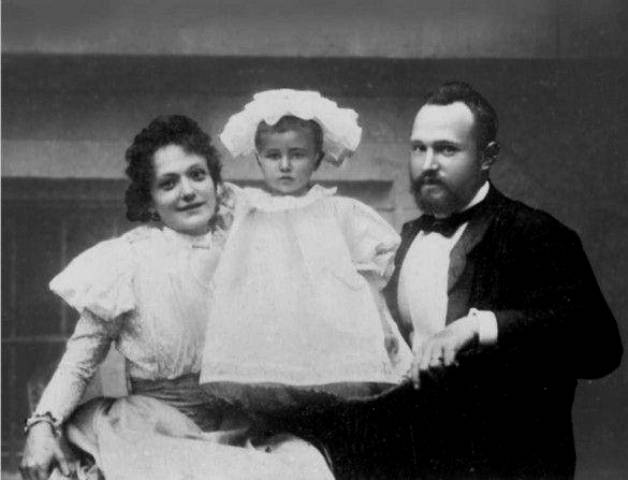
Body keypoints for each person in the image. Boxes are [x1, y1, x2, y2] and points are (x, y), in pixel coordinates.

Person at [20, 115, 333, 480]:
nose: (187, 191)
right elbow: (79, 361)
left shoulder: (249, 249)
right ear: (151, 201)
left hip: (237, 432)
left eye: (197, 175)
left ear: (216, 184)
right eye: (168, 183)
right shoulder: (126, 262)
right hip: (150, 434)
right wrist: (42, 425)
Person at [382, 81, 623, 479]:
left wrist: (479, 327)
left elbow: (601, 348)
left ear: (487, 156)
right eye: (419, 148)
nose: (428, 164)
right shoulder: (404, 240)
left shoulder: (535, 233)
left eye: (447, 149)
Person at [200, 89, 412, 417]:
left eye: (297, 154)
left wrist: (381, 325)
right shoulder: (247, 210)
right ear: (258, 158)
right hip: (269, 333)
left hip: (331, 333)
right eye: (273, 155)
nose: (285, 165)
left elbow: (368, 276)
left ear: (317, 158)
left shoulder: (340, 212)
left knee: (337, 406)